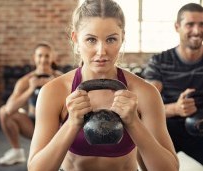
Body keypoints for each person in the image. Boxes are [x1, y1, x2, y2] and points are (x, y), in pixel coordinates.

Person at [27, 0, 179, 171]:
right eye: (91, 40)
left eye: (111, 39)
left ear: (122, 37)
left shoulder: (144, 93)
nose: (101, 51)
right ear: (75, 39)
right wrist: (71, 124)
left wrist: (134, 123)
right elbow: (36, 169)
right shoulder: (54, 92)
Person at [142, 3, 203, 165]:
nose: (197, 31)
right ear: (177, 27)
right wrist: (176, 108)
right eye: (190, 24)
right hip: (167, 130)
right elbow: (144, 106)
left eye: (201, 25)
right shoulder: (160, 62)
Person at [0, 42, 62, 166]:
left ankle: (68, 154)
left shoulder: (60, 78)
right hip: (33, 125)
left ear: (52, 57)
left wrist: (53, 86)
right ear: (34, 58)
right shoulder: (26, 81)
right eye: (40, 56)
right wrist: (30, 89)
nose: (43, 60)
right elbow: (9, 109)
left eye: (47, 56)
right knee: (3, 111)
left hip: (56, 126)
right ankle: (17, 151)